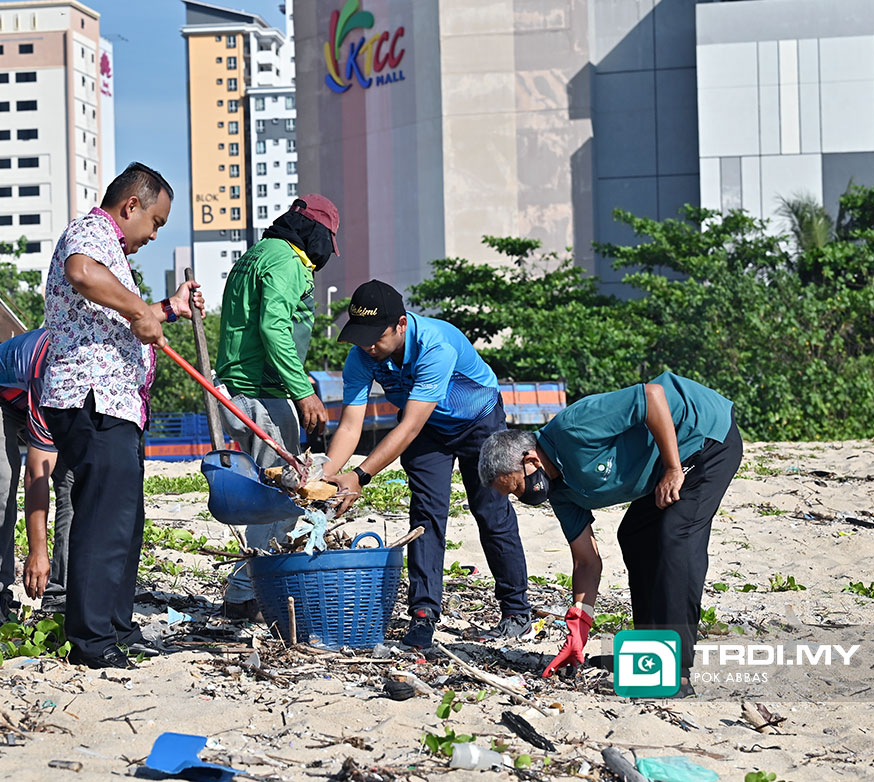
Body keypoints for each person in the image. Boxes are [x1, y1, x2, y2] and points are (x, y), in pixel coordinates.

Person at [477, 371, 742, 697]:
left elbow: (652, 396)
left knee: (677, 534)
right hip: (665, 464)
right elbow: (587, 561)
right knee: (635, 533)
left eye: (517, 487)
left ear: (529, 459)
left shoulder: (573, 428)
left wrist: (674, 468)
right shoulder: (560, 494)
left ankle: (677, 673)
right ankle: (650, 653)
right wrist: (578, 629)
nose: (523, 497)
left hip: (703, 436)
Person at [40, 162, 204, 669]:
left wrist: (167, 308)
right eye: (155, 222)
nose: (155, 234)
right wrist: (139, 310)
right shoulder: (91, 232)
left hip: (117, 403)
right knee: (102, 520)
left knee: (124, 522)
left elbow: (116, 313)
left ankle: (116, 626)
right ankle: (90, 641)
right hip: (90, 399)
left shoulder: (114, 250)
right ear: (131, 206)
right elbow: (81, 273)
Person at [321, 280, 531, 649]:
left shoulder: (436, 344)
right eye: (360, 338)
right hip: (428, 431)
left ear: (401, 325)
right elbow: (351, 424)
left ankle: (516, 611)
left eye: (375, 337)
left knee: (491, 512)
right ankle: (422, 614)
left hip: (477, 422)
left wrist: (359, 476)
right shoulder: (360, 356)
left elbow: (408, 425)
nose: (368, 347)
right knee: (426, 516)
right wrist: (322, 478)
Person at [214, 195, 339, 621]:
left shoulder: (257, 254)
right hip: (256, 393)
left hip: (249, 388)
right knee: (288, 490)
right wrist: (304, 391)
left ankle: (248, 590)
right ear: (315, 234)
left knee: (277, 489)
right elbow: (273, 326)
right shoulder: (286, 261)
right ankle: (249, 591)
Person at [0, 328, 73, 624]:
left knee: (71, 481)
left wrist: (171, 307)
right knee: (3, 475)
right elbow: (37, 475)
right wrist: (37, 553)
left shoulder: (88, 372)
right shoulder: (52, 371)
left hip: (25, 397)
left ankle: (60, 594)